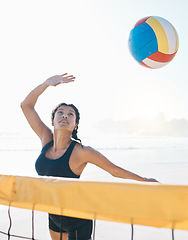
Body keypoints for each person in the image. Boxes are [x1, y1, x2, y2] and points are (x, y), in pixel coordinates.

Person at [21, 73, 158, 240]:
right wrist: (45, 84)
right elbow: (26, 106)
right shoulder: (45, 139)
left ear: (75, 124)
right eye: (60, 112)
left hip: (77, 219)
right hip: (53, 216)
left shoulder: (81, 151)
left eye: (71, 114)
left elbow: (114, 170)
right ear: (52, 120)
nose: (65, 115)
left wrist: (145, 181)